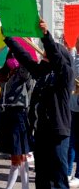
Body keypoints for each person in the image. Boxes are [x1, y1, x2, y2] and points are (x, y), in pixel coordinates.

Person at [3, 19, 73, 188]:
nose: (43, 53)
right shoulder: (43, 73)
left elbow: (57, 59)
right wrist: (9, 39)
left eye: (49, 52)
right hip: (41, 132)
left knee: (57, 177)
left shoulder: (65, 75)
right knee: (41, 176)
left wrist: (46, 36)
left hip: (57, 133)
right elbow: (25, 58)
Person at [0, 50, 34, 189]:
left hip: (18, 114)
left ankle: (17, 187)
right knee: (17, 156)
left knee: (19, 156)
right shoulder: (3, 73)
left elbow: (26, 67)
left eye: (14, 57)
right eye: (10, 57)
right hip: (5, 115)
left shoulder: (22, 74)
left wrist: (21, 51)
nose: (12, 59)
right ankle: (25, 187)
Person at [66, 38, 79, 187]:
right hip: (73, 108)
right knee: (71, 143)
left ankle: (77, 175)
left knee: (76, 143)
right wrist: (69, 50)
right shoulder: (75, 58)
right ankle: (68, 172)